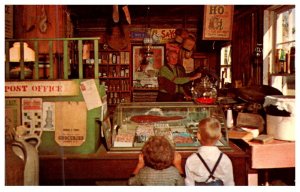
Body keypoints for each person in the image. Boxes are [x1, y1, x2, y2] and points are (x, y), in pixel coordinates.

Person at [185, 117, 235, 186]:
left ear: (198, 136)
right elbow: (229, 184)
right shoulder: (225, 159)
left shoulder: (191, 160)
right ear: (219, 136)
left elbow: (189, 183)